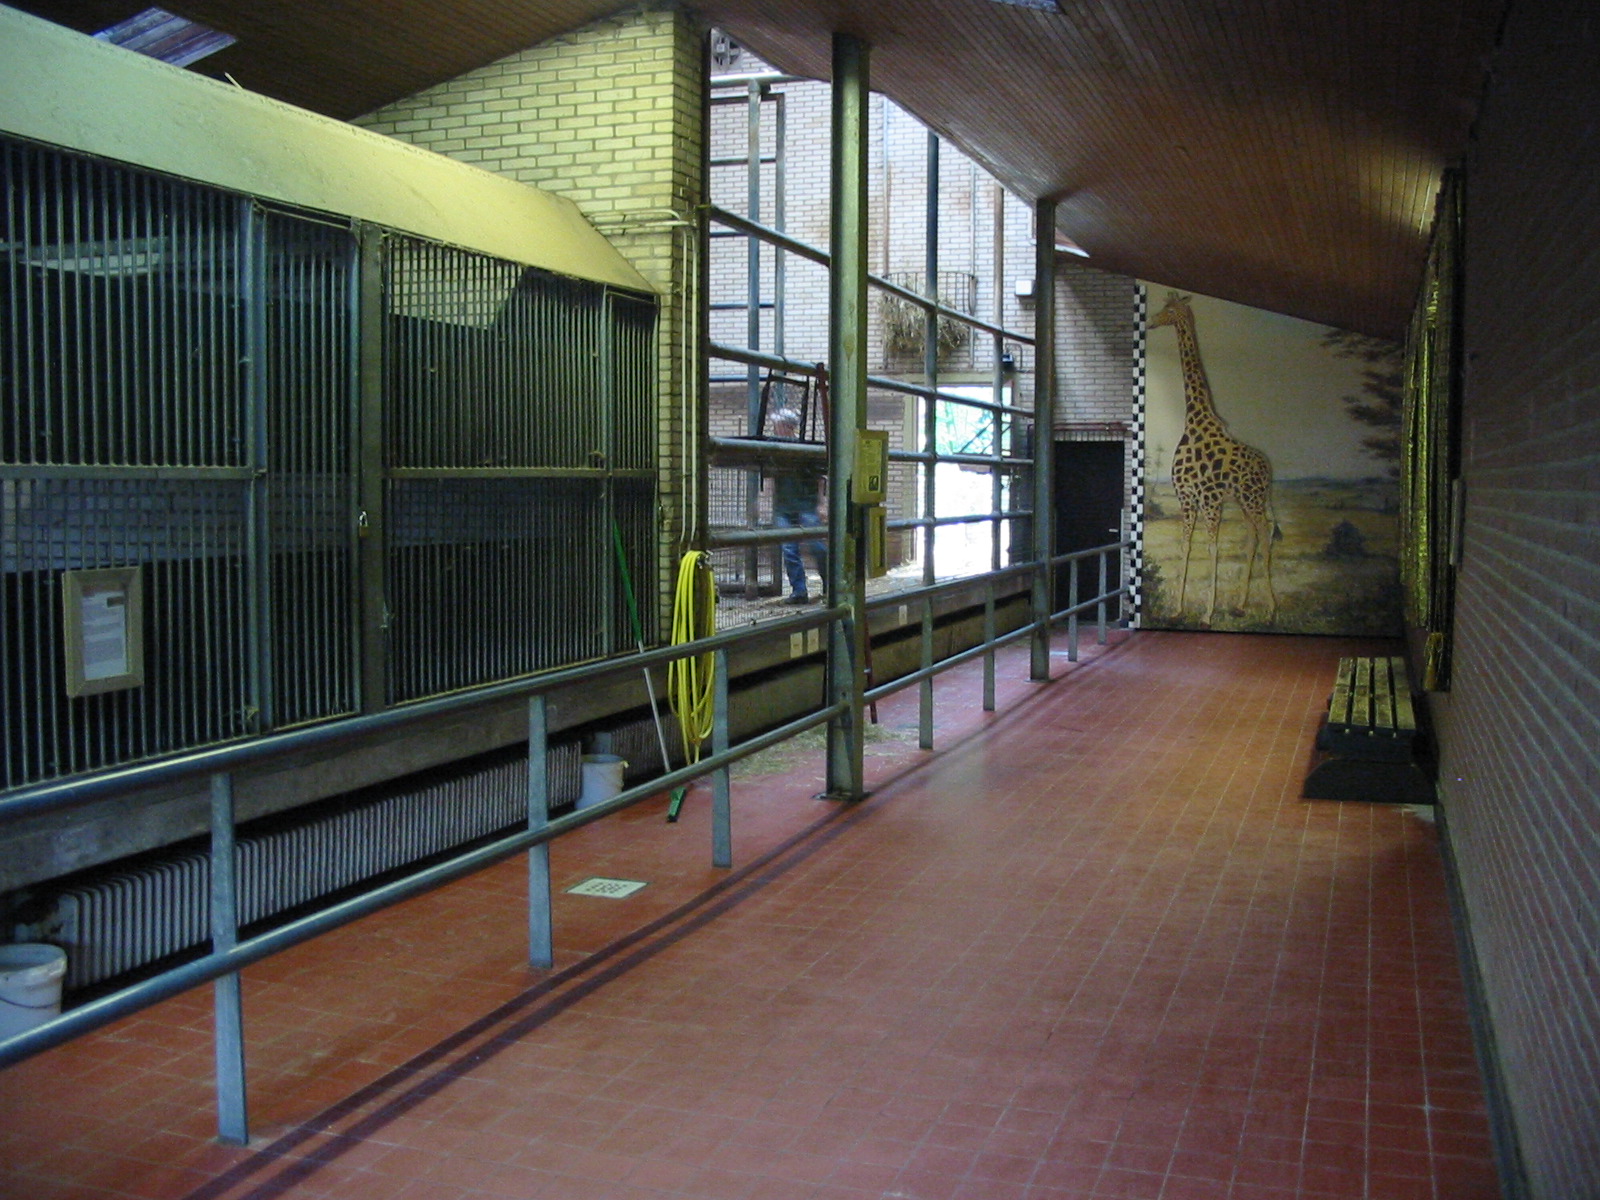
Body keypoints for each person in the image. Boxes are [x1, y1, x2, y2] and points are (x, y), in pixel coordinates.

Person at [767, 408, 827, 604]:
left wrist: (821, 503)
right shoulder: (774, 450)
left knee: (817, 546)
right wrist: (766, 501)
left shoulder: (804, 449)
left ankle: (829, 584)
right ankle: (799, 591)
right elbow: (771, 477)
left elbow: (820, 478)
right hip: (784, 507)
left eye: (779, 426)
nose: (776, 429)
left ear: (789, 427)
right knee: (789, 549)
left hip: (806, 505)